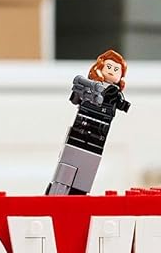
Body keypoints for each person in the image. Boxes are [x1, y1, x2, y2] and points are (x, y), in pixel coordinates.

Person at [45, 50, 130, 195]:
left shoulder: (114, 93)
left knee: (85, 173)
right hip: (80, 128)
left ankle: (77, 195)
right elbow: (75, 100)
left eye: (116, 69)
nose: (111, 71)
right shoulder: (90, 86)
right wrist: (79, 92)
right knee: (68, 164)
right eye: (109, 67)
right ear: (100, 66)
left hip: (99, 133)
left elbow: (123, 106)